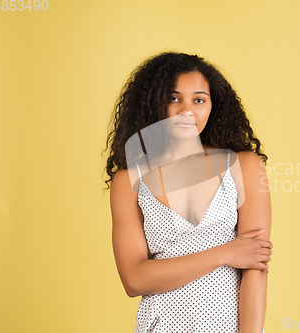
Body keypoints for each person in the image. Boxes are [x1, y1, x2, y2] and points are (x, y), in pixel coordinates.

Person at [102, 51, 272, 332]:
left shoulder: (244, 166)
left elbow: (256, 265)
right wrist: (225, 254)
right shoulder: (129, 180)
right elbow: (134, 279)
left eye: (199, 99)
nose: (186, 110)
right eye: (174, 98)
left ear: (212, 106)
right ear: (155, 103)